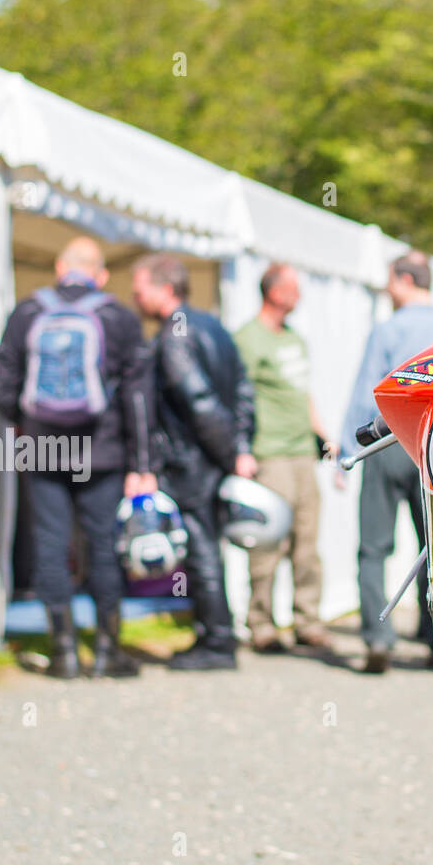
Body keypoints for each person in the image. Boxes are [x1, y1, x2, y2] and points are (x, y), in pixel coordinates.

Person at [0, 235, 153, 679]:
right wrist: (142, 464)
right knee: (103, 545)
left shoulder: (27, 312)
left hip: (43, 448)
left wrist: (25, 427)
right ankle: (106, 649)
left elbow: (2, 388)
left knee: (50, 543)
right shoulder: (116, 315)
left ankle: (61, 652)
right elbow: (138, 397)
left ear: (60, 268)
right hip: (102, 449)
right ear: (100, 275)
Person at [131, 253, 255, 671]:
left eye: (140, 287)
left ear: (165, 288)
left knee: (201, 551)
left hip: (194, 462)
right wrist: (239, 445)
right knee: (207, 548)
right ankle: (213, 634)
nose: (135, 296)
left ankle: (218, 642)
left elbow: (199, 401)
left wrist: (230, 452)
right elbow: (242, 392)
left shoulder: (175, 335)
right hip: (212, 457)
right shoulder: (214, 325)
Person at [340, 252, 433, 674]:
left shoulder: (387, 328)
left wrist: (346, 453)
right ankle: (432, 638)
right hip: (430, 449)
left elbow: (366, 394)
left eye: (390, 281)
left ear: (403, 280)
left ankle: (377, 639)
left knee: (373, 548)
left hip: (385, 446)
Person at [235, 264, 334, 654]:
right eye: (293, 288)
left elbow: (302, 394)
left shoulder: (295, 340)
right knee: (267, 543)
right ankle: (261, 623)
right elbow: (238, 398)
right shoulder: (247, 338)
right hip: (269, 454)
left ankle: (307, 620)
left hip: (301, 454)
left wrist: (322, 435)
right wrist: (242, 451)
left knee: (307, 543)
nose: (299, 295)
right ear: (273, 291)